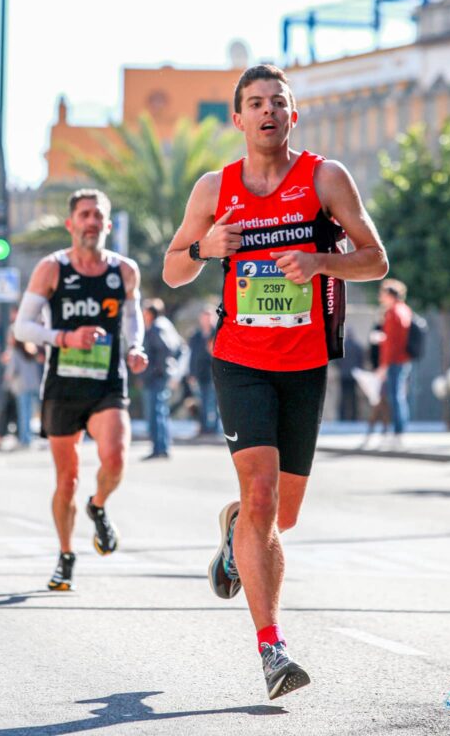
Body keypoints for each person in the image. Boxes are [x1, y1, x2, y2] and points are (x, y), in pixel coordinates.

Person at [162, 64, 388, 700]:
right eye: (255, 103)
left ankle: (234, 531)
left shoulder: (324, 178)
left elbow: (376, 259)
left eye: (278, 103)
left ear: (294, 115)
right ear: (237, 119)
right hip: (240, 358)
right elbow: (173, 269)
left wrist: (319, 259)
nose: (267, 112)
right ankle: (272, 649)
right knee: (261, 494)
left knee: (278, 514)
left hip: (304, 361)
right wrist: (208, 247)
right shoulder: (216, 188)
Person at [14, 188, 148, 591]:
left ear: (107, 225)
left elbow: (132, 318)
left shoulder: (124, 270)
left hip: (107, 382)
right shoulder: (52, 269)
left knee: (116, 458)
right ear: (71, 224)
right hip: (62, 386)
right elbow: (23, 327)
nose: (91, 222)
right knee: (67, 478)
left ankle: (99, 506)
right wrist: (66, 338)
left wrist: (136, 347)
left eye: (98, 215)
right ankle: (66, 555)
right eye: (84, 215)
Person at [141, 298, 184, 459]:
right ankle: (162, 447)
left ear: (150, 313)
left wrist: (156, 370)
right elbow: (179, 348)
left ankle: (158, 448)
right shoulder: (166, 324)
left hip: (156, 377)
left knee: (155, 413)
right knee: (161, 411)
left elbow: (165, 350)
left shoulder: (157, 327)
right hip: (161, 376)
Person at [377, 280, 412, 442]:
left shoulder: (393, 313)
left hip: (394, 360)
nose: (381, 298)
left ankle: (398, 429)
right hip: (403, 359)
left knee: (395, 395)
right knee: (399, 395)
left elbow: (391, 343)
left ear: (390, 295)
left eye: (383, 294)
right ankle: (400, 427)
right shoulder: (405, 309)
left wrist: (383, 365)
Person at [188, 304, 221, 434]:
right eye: (204, 317)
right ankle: (204, 428)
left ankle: (214, 428)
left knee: (215, 402)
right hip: (200, 374)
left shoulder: (217, 332)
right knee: (202, 401)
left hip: (215, 372)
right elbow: (192, 356)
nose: (206, 320)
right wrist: (191, 373)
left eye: (209, 317)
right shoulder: (195, 336)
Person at [5, 339, 43, 448]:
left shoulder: (15, 352)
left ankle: (25, 438)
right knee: (31, 413)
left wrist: (7, 377)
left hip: (22, 386)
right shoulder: (31, 351)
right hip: (34, 384)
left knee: (24, 414)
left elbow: (11, 370)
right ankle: (28, 437)